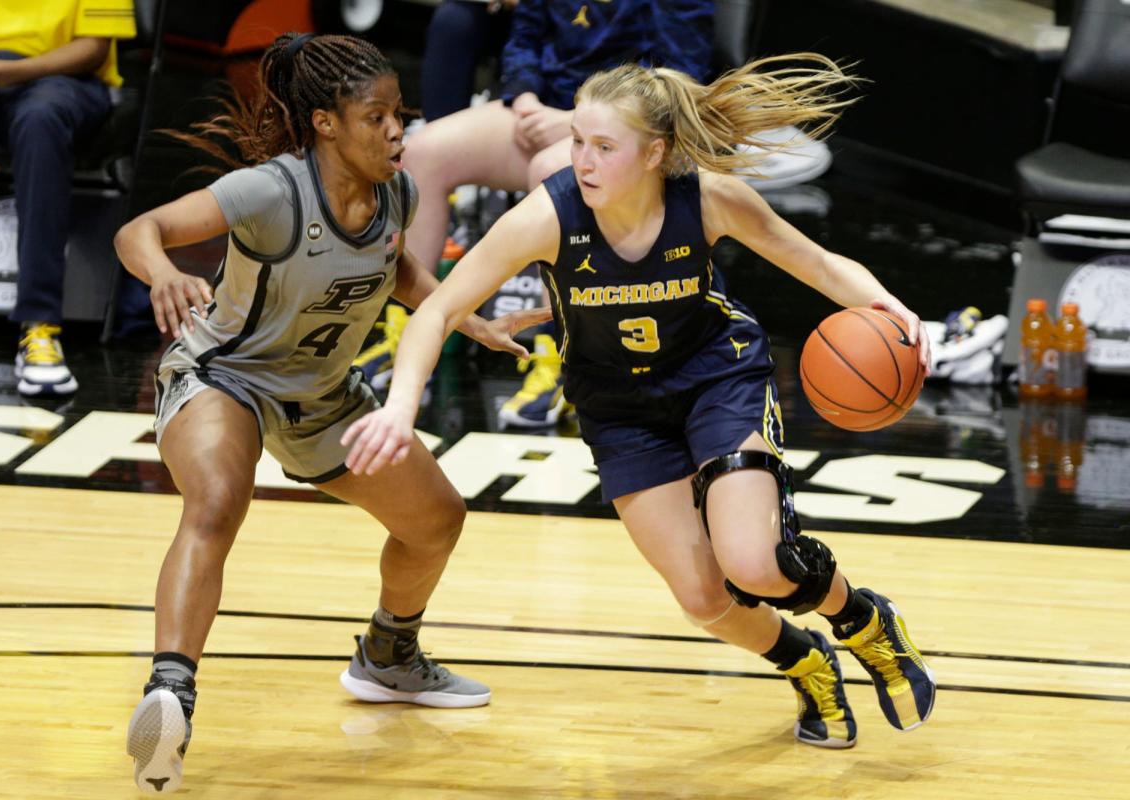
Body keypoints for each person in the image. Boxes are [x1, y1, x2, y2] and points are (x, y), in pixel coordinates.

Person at [343, 55, 938, 748]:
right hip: (619, 409)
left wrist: (898, 313)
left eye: (604, 147)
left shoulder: (708, 198)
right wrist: (400, 405)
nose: (584, 162)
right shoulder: (549, 216)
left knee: (752, 562)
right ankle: (806, 663)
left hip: (717, 380)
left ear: (655, 152)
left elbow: (821, 265)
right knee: (704, 598)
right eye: (578, 143)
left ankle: (864, 621)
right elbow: (436, 312)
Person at [113, 33, 547, 793]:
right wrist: (162, 275)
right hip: (227, 376)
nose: (395, 131)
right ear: (324, 124)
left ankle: (388, 656)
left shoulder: (398, 194)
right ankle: (169, 696)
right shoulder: (271, 192)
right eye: (375, 117)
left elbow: (401, 269)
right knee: (216, 501)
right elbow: (138, 230)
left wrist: (462, 315)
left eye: (399, 114)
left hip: (321, 394)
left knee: (437, 520)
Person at [353, 0, 715, 429]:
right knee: (425, 152)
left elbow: (680, 72)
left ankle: (559, 361)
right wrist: (524, 97)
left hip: (623, 129)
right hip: (542, 112)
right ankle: (407, 335)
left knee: (553, 170)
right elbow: (523, 38)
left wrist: (575, 123)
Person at [0, 0, 136, 396]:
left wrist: (4, 74)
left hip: (57, 78)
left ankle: (40, 327)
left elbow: (92, 50)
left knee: (40, 119)